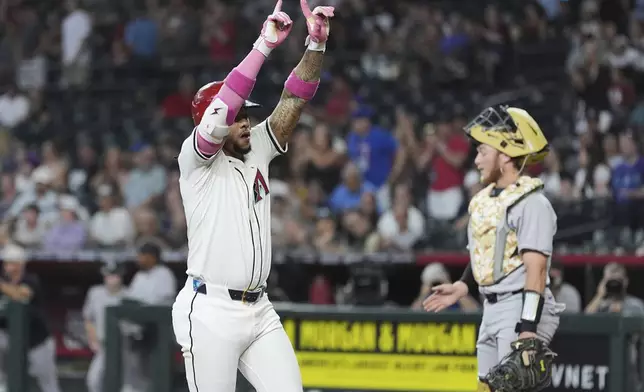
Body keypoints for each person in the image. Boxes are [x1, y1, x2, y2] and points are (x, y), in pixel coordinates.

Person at [171, 1, 334, 391]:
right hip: (209, 310)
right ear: (212, 120)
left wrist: (315, 46)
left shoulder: (257, 146)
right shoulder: (194, 160)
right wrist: (264, 45)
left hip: (259, 309)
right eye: (237, 115)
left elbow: (293, 100)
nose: (245, 120)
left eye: (248, 114)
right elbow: (224, 105)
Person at [423, 106, 564, 392]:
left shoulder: (532, 203)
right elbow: (484, 255)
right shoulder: (484, 200)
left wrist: (527, 328)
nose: (476, 160)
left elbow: (535, 272)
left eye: (483, 152)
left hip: (518, 306)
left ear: (505, 155)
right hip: (491, 306)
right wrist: (464, 286)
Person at [0, 244, 60, 392]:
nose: (8, 267)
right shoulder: (4, 284)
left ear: (21, 264)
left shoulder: (31, 280)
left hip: (37, 343)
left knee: (49, 386)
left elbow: (21, 294)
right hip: (14, 344)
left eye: (12, 263)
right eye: (6, 263)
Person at [83, 260, 126, 392]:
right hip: (104, 346)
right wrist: (93, 339)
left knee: (126, 385)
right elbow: (88, 318)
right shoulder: (95, 293)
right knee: (94, 381)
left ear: (121, 276)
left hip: (125, 347)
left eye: (115, 275)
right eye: (109, 275)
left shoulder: (128, 294)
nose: (112, 278)